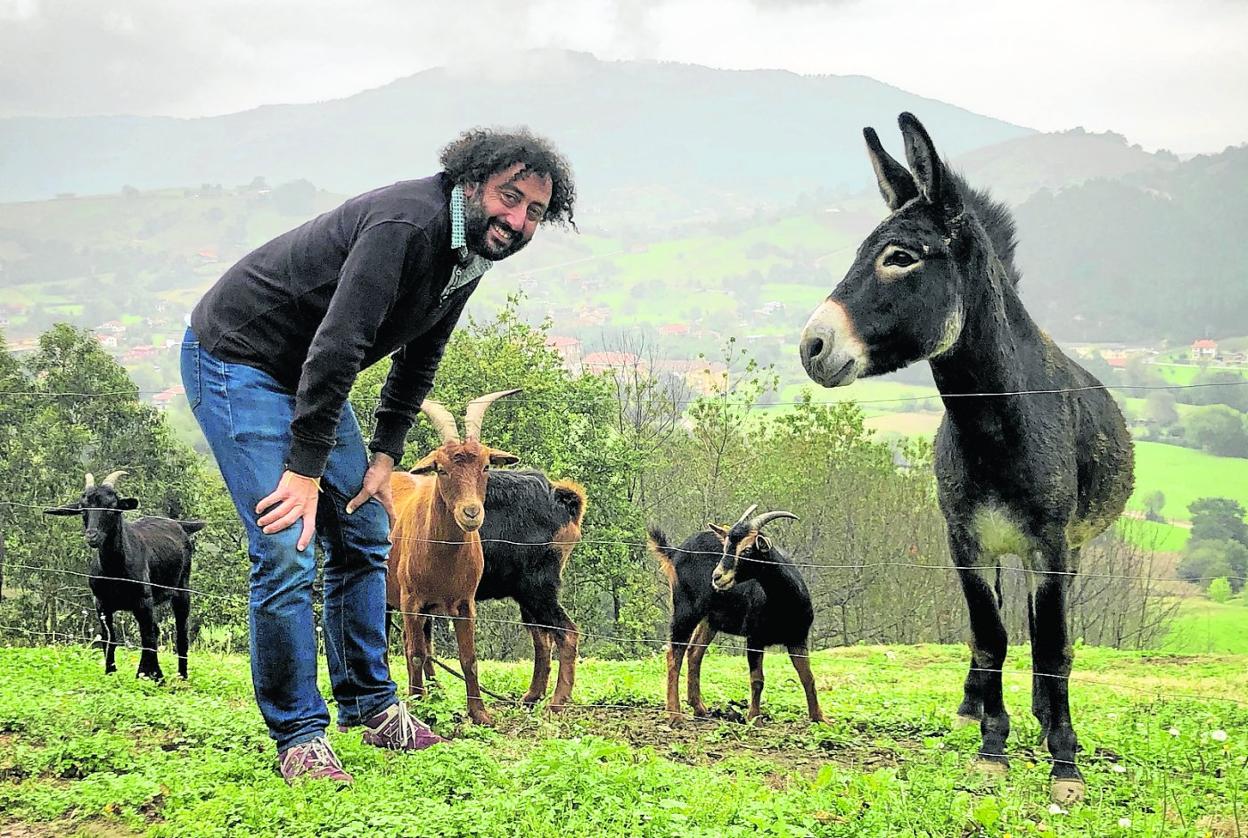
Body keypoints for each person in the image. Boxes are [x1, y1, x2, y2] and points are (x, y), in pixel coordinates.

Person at [180, 128, 575, 784]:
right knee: (285, 542)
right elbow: (340, 343)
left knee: (365, 526)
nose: (518, 220)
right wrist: (304, 473)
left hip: (309, 373)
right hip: (238, 359)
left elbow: (422, 356)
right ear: (471, 181)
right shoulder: (407, 226)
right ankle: (298, 735)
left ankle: (370, 704)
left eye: (535, 211)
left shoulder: (470, 251)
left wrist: (387, 453)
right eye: (510, 197)